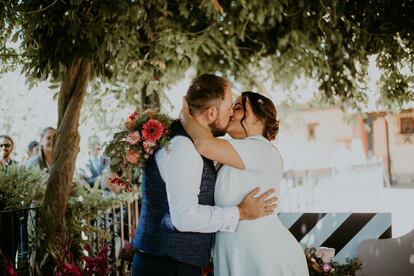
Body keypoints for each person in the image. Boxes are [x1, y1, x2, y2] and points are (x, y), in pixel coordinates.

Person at [131, 74, 278, 276]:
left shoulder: (216, 148)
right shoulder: (184, 147)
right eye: (229, 109)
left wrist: (185, 116)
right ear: (211, 113)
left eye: (237, 109)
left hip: (176, 263)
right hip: (167, 266)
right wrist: (240, 212)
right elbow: (184, 217)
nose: (231, 116)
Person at [180, 91, 309, 276]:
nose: (231, 112)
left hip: (264, 257)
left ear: (258, 120)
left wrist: (185, 115)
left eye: (238, 108)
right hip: (241, 254)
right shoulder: (236, 154)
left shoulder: (260, 148)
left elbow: (203, 143)